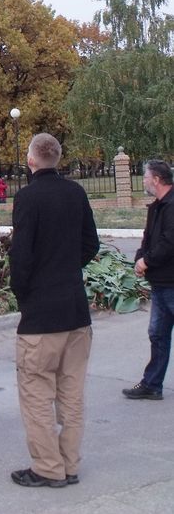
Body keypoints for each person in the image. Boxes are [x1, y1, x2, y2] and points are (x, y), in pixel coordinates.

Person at [8, 133, 99, 489]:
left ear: (31, 161)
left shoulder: (27, 198)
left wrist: (24, 295)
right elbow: (90, 242)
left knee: (36, 394)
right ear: (57, 159)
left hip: (41, 315)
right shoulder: (75, 192)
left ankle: (47, 467)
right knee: (72, 393)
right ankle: (70, 463)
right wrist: (65, 268)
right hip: (76, 310)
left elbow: (22, 256)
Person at [122, 159, 174, 401]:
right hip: (161, 283)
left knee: (158, 333)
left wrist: (147, 261)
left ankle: (152, 383)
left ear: (156, 180)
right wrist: (140, 258)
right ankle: (152, 385)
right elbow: (148, 238)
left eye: (145, 177)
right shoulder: (157, 207)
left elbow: (169, 242)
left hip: (171, 282)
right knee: (157, 334)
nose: (143, 181)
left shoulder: (172, 206)